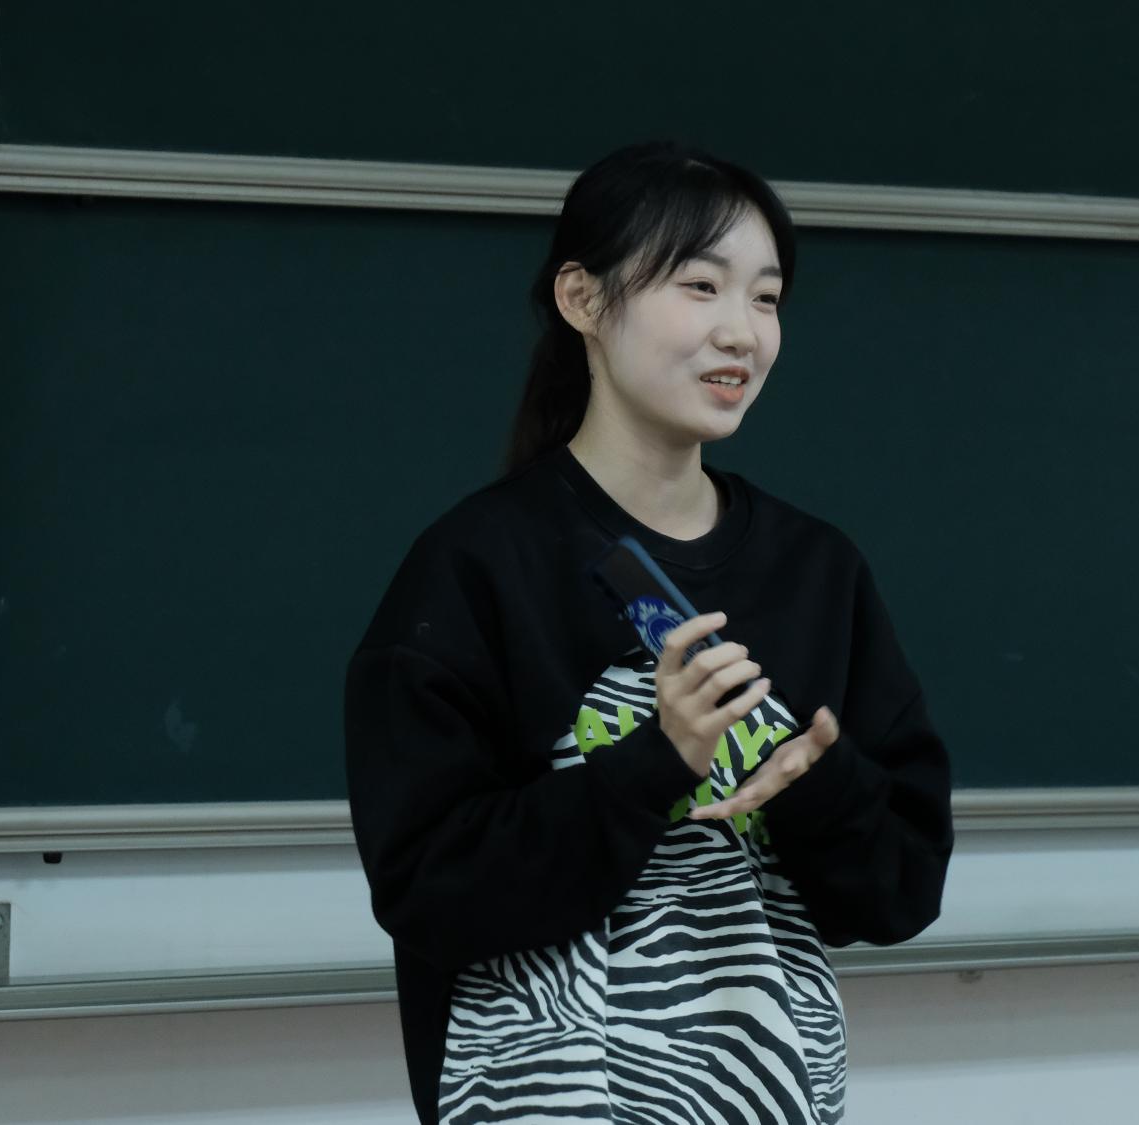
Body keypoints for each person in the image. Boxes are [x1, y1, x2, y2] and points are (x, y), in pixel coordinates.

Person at [343, 139, 955, 1125]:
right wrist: (656, 761)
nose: (741, 333)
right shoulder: (474, 567)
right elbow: (429, 892)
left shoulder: (816, 571)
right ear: (582, 299)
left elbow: (899, 893)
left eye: (765, 298)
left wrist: (817, 781)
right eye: (699, 286)